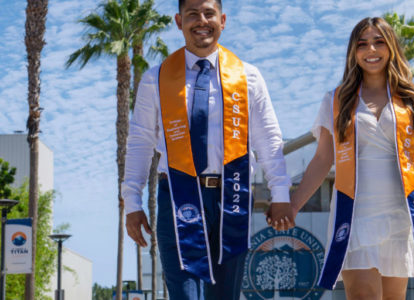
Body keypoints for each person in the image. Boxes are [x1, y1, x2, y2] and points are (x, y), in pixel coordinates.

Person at [122, 0, 294, 299]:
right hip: (177, 196)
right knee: (185, 294)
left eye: (208, 14)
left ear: (222, 20)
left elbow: (268, 138)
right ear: (178, 21)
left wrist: (280, 194)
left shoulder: (247, 76)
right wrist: (132, 202)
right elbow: (139, 142)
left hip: (233, 196)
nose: (201, 21)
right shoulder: (156, 79)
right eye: (192, 15)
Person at [288, 17, 414, 299]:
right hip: (355, 212)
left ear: (391, 47)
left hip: (399, 211)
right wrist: (292, 205)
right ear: (354, 52)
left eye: (379, 42)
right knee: (362, 294)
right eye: (362, 44)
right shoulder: (336, 99)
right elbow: (322, 159)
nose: (371, 50)